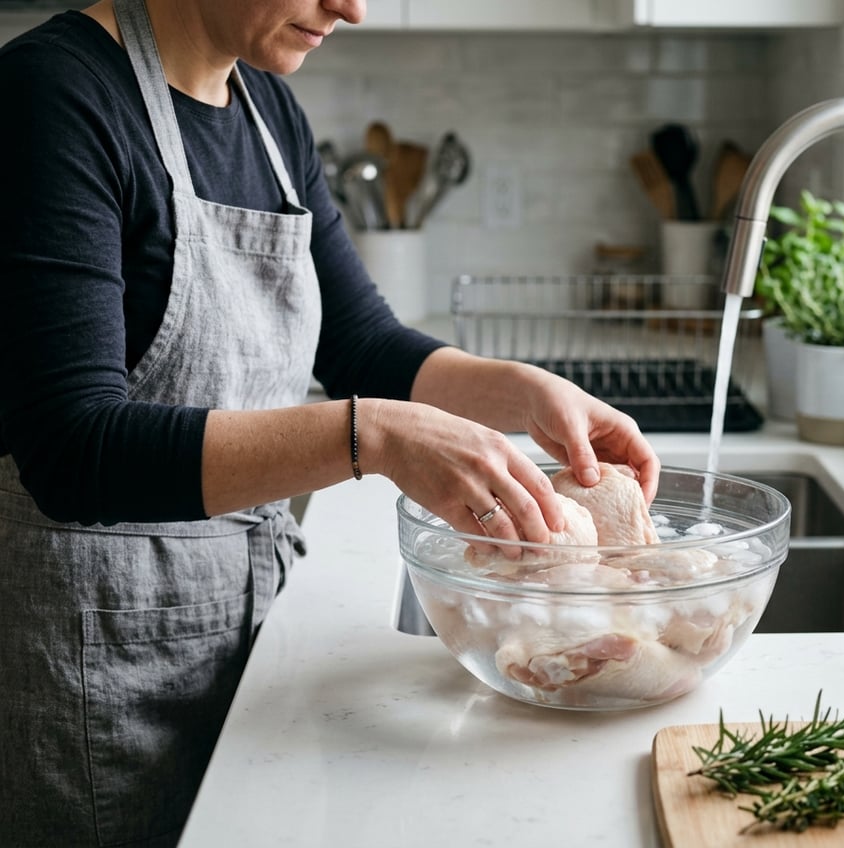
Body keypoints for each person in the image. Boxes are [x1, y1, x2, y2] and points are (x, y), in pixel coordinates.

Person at [0, 1, 660, 844]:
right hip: (96, 661)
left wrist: (523, 390)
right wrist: (371, 437)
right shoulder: (51, 97)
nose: (350, 6)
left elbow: (362, 346)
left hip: (247, 639)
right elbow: (70, 450)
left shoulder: (266, 108)